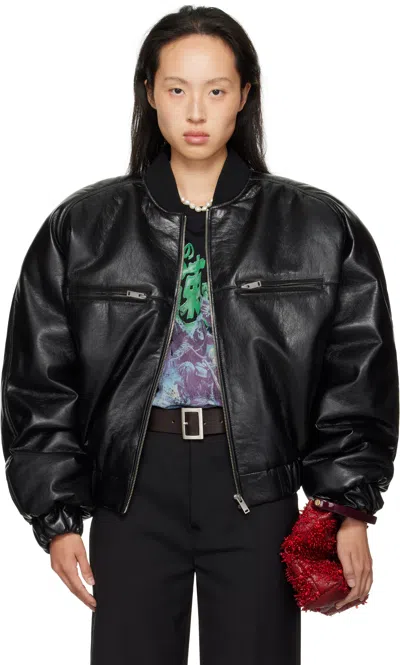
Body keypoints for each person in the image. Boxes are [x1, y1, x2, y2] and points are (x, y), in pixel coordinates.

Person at [1, 5, 398, 665]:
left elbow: (357, 376)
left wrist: (344, 507)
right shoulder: (82, 228)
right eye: (177, 88)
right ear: (149, 93)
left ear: (244, 95)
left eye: (215, 90)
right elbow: (39, 380)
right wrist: (57, 516)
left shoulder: (320, 229)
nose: (195, 111)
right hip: (133, 488)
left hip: (256, 487)